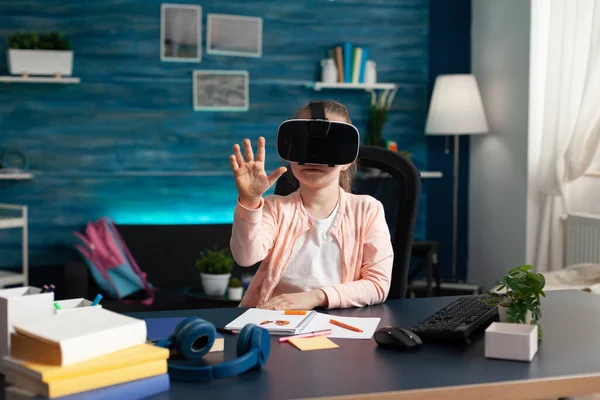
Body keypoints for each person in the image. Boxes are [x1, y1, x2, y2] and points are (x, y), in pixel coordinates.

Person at [229, 100, 394, 310]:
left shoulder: (367, 210)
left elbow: (377, 285)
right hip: (273, 320)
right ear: (290, 153)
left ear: (348, 161)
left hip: (339, 324)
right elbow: (245, 257)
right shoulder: (274, 209)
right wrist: (250, 202)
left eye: (328, 148)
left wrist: (315, 297)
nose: (315, 158)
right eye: (305, 145)